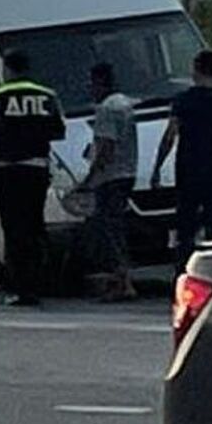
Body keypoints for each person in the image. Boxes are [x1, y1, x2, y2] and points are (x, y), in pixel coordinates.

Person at [0, 49, 66, 307]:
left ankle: (20, 288)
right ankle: (41, 283)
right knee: (35, 226)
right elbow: (58, 131)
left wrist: (5, 139)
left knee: (14, 230)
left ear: (7, 69)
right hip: (37, 168)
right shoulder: (47, 96)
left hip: (8, 170)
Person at [148, 49, 212, 271]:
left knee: (186, 226)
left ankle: (183, 271)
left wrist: (157, 167)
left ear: (195, 70)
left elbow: (170, 136)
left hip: (188, 169)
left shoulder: (182, 100)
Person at [81, 62, 137, 302]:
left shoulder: (107, 109)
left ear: (100, 82)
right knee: (117, 228)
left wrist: (89, 179)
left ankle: (122, 282)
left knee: (110, 231)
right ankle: (121, 280)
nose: (89, 88)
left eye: (92, 82)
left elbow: (106, 147)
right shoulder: (125, 104)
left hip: (110, 177)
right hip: (128, 172)